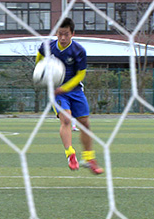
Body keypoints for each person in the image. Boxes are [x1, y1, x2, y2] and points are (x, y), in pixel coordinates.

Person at [36, 17, 103, 175]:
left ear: (73, 34)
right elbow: (39, 62)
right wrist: (42, 75)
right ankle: (70, 155)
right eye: (60, 34)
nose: (63, 38)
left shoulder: (79, 51)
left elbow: (81, 75)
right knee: (66, 118)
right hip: (57, 92)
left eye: (66, 34)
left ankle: (88, 158)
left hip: (74, 91)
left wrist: (65, 88)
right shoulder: (47, 47)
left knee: (85, 124)